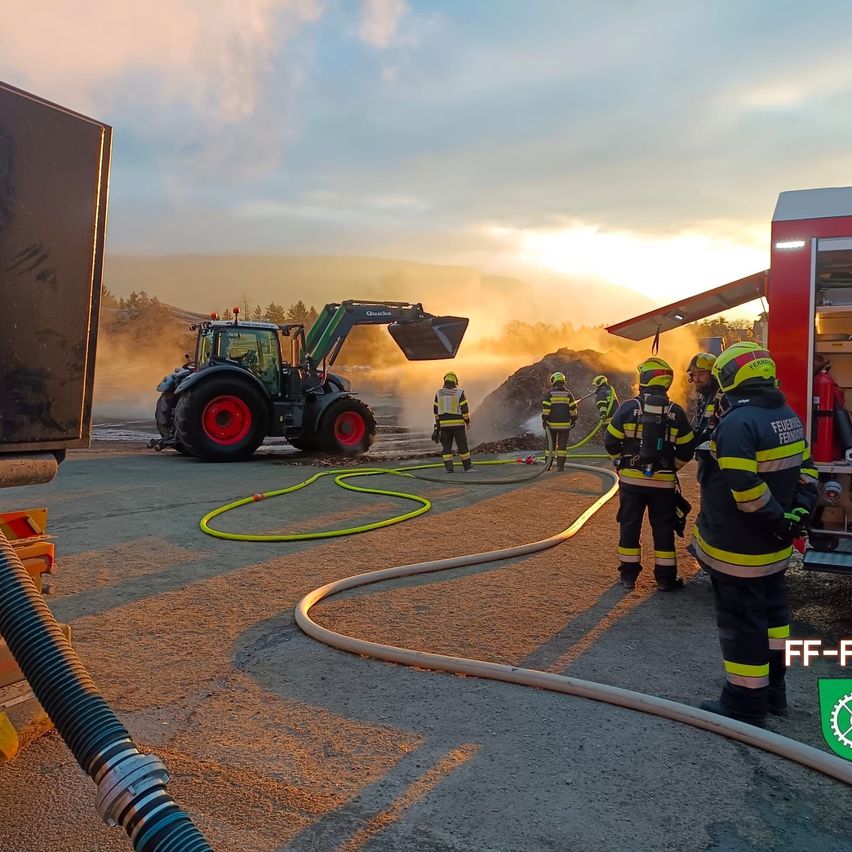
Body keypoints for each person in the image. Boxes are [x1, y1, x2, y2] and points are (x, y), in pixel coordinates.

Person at [692, 342, 818, 724]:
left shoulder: (737, 423)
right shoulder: (787, 415)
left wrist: (777, 520)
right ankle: (774, 693)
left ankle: (744, 704)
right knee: (775, 619)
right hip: (775, 548)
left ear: (730, 379)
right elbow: (808, 471)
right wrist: (795, 516)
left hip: (740, 551)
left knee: (742, 626)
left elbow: (745, 490)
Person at [604, 356, 696, 591]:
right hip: (663, 484)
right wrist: (671, 467)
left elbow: (611, 439)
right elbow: (687, 448)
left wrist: (618, 460)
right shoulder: (676, 411)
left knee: (629, 525)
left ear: (644, 378)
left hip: (631, 482)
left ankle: (628, 577)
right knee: (664, 528)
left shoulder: (628, 408)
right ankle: (665, 579)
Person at [434, 371, 471, 472]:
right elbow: (464, 409)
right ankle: (467, 467)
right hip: (458, 424)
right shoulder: (459, 392)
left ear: (445, 381)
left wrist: (437, 426)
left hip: (444, 425)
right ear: (455, 381)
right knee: (462, 445)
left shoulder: (439, 393)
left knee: (446, 446)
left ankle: (449, 468)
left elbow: (436, 411)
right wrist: (467, 421)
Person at [542, 372, 578, 471]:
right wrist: (574, 419)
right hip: (565, 426)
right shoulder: (568, 394)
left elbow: (546, 408)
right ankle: (560, 467)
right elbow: (573, 408)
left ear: (553, 381)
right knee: (562, 447)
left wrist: (544, 420)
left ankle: (547, 466)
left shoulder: (549, 394)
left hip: (551, 426)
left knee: (550, 446)